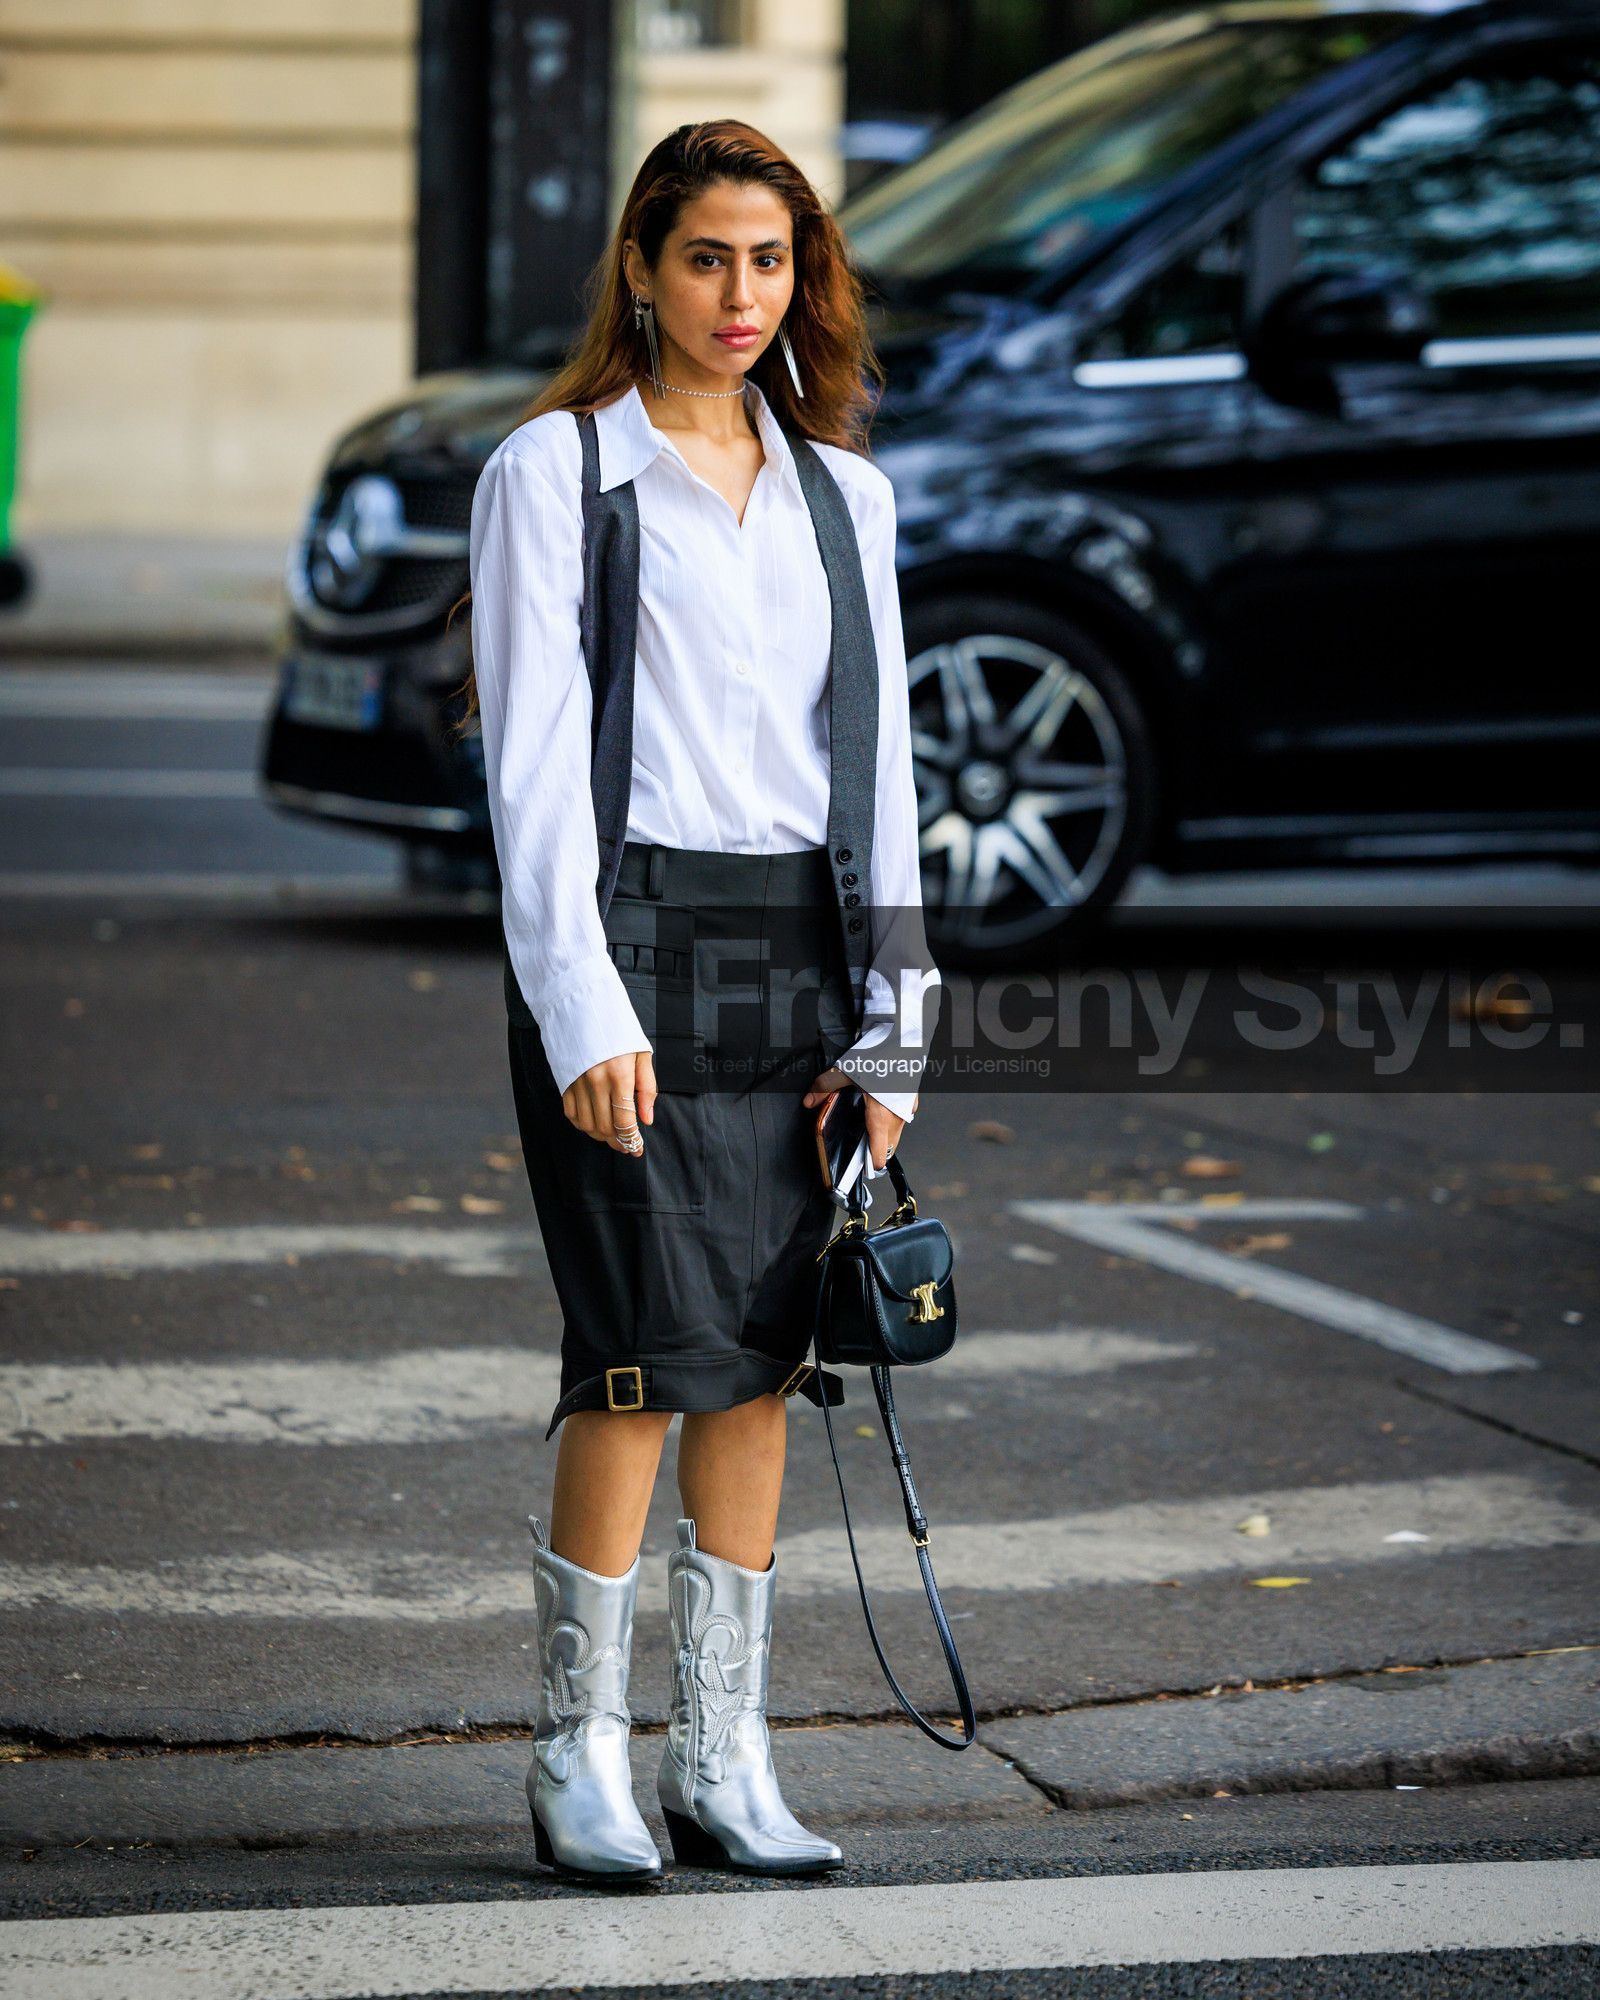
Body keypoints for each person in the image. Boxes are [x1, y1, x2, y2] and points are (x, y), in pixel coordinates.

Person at [469, 119, 928, 1881]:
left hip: (800, 953)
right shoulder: (558, 472)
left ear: (804, 277)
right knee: (642, 1354)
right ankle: (575, 1755)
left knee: (767, 1359)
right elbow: (528, 776)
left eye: (772, 261)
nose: (742, 297)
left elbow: (877, 763)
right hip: (631, 942)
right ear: (644, 274)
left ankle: (723, 1759)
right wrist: (582, 1006)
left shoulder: (846, 493)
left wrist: (895, 1025)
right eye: (707, 260)